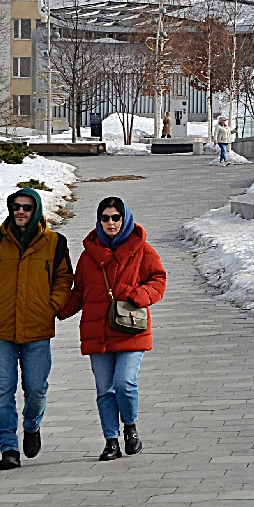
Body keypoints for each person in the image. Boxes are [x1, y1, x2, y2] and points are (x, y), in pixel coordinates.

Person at [0, 188, 73, 470]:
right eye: (16, 207)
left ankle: (32, 425)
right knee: (2, 390)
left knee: (36, 389)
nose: (20, 212)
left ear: (35, 209)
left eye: (26, 207)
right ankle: (8, 447)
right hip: (1, 329)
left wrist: (51, 305)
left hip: (38, 328)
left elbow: (64, 279)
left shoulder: (55, 243)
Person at [59, 196, 166, 462]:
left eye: (115, 217)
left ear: (124, 218)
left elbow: (158, 280)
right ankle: (111, 441)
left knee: (124, 382)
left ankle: (130, 427)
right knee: (104, 390)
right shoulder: (88, 255)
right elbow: (81, 292)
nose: (110, 223)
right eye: (105, 218)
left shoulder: (142, 249)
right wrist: (55, 310)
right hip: (98, 330)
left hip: (131, 327)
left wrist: (139, 296)